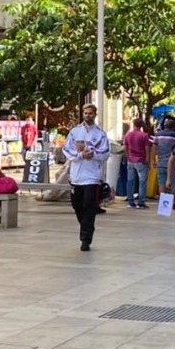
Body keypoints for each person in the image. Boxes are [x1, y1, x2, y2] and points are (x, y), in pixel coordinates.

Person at [63, 104, 110, 252]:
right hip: (76, 178)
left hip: (92, 178)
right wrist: (79, 155)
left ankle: (86, 238)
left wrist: (93, 154)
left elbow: (105, 153)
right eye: (85, 113)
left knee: (89, 208)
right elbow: (66, 149)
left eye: (90, 113)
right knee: (77, 205)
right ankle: (86, 226)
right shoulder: (75, 132)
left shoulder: (100, 134)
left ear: (95, 114)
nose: (88, 115)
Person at [123, 119, 153, 209]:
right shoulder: (144, 135)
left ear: (133, 124)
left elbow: (125, 147)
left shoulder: (128, 134)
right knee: (142, 181)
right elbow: (147, 149)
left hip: (131, 160)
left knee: (130, 181)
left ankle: (130, 201)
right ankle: (141, 202)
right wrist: (148, 160)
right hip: (141, 160)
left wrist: (127, 156)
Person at [154, 119, 175, 196]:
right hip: (172, 163)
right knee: (173, 182)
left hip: (161, 162)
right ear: (173, 126)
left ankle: (163, 202)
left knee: (161, 182)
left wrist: (153, 160)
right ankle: (173, 201)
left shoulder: (158, 135)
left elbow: (154, 148)